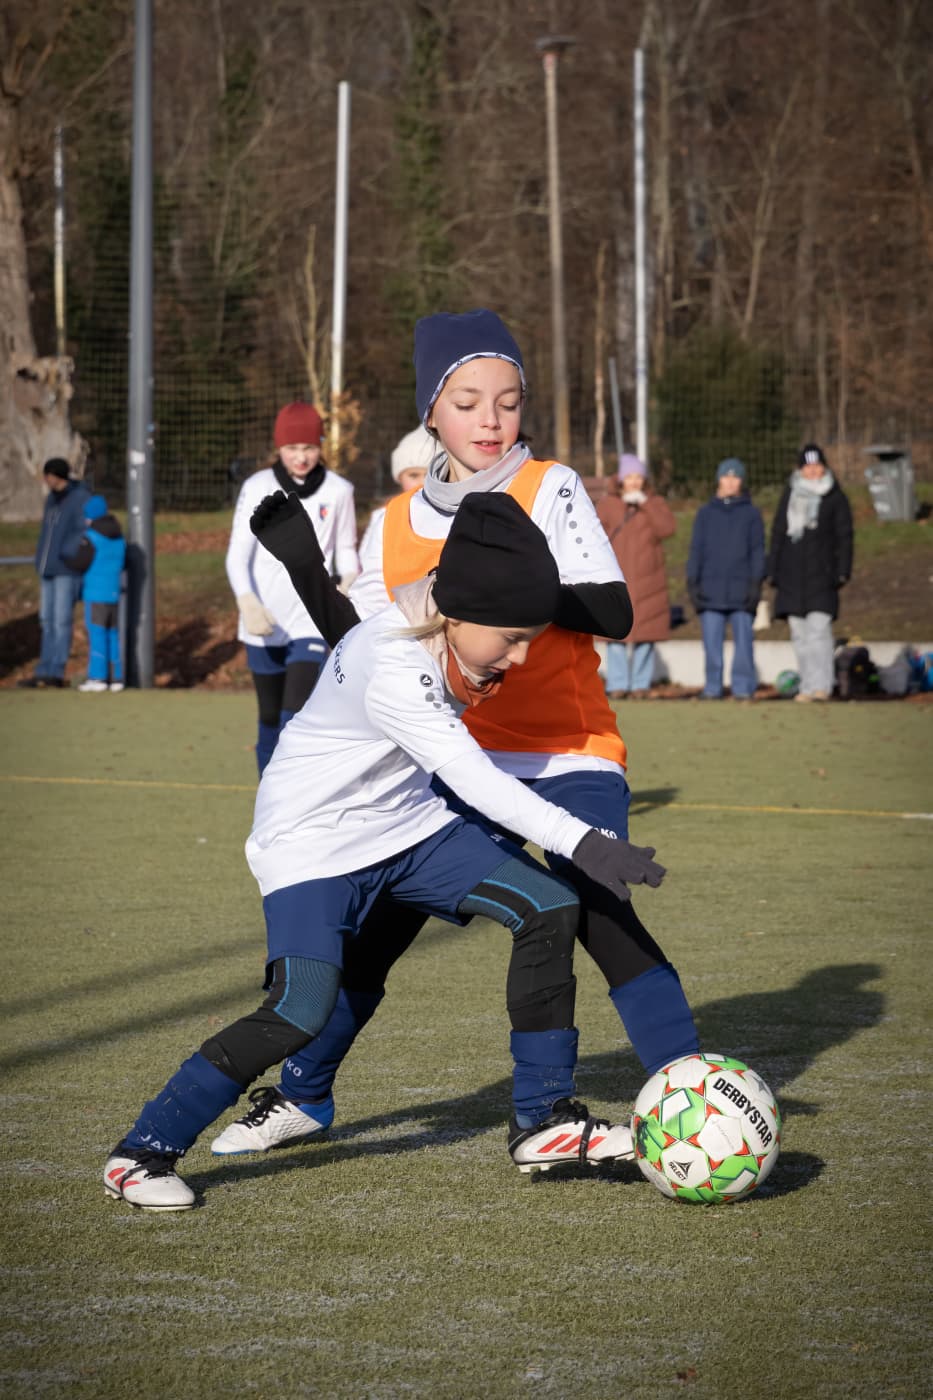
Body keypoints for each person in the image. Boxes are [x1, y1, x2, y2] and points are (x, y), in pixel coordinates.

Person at [215, 308, 700, 1159]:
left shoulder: (547, 485)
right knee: (373, 933)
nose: (491, 420)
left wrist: (490, 584)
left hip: (565, 750)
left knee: (597, 908)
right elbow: (362, 644)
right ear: (430, 411)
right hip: (450, 758)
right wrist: (301, 567)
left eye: (508, 402)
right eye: (469, 400)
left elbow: (616, 611)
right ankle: (301, 1098)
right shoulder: (394, 521)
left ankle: (690, 1089)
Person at [102, 493, 666, 1210]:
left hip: (403, 825)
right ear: (456, 615)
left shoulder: (440, 614)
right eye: (512, 638)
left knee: (547, 907)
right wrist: (586, 842)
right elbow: (473, 780)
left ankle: (543, 1120)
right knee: (298, 1009)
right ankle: (140, 1153)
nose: (520, 656)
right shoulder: (397, 666)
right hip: (310, 844)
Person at [225, 402, 360, 774]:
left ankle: (291, 797)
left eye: (309, 448)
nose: (301, 457)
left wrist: (348, 582)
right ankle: (267, 798)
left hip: (309, 620)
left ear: (320, 445)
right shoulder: (256, 486)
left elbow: (346, 550)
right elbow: (236, 556)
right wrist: (247, 602)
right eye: (291, 449)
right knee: (268, 717)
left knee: (294, 716)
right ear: (278, 448)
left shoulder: (339, 490)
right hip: (263, 622)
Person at [768, 443, 854, 703]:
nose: (813, 471)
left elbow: (845, 537)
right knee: (800, 635)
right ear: (801, 469)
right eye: (808, 466)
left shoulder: (835, 498)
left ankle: (822, 686)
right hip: (792, 578)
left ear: (824, 467)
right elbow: (778, 533)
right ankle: (806, 686)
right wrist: (772, 569)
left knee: (819, 632)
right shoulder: (790, 495)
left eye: (817, 466)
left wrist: (842, 571)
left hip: (822, 577)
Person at [596, 453, 676, 699]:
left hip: (649, 580)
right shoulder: (608, 504)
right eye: (629, 476)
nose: (634, 482)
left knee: (645, 635)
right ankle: (618, 684)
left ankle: (641, 684)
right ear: (620, 479)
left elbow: (667, 529)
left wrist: (646, 505)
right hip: (616, 578)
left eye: (638, 477)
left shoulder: (655, 502)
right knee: (616, 634)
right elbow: (595, 534)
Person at [686, 458, 765, 701]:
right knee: (711, 646)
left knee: (744, 645)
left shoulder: (752, 514)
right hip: (710, 590)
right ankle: (712, 687)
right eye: (726, 477)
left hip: (742, 591)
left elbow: (758, 551)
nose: (730, 482)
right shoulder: (705, 513)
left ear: (741, 481)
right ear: (719, 479)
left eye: (736, 477)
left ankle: (742, 688)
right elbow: (696, 549)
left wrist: (755, 583)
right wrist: (693, 581)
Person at [17, 458, 90, 690]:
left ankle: (56, 670)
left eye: (47, 475)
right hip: (47, 569)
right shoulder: (51, 499)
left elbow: (83, 531)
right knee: (46, 620)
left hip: (66, 571)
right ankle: (44, 668)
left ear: (56, 476)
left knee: (60, 621)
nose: (45, 480)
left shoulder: (79, 498)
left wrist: (65, 553)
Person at [63, 494, 127, 693]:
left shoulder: (91, 538)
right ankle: (117, 678)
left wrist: (65, 559)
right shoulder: (119, 538)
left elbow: (81, 563)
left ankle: (98, 677)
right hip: (114, 593)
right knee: (113, 635)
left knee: (97, 635)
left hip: (95, 593)